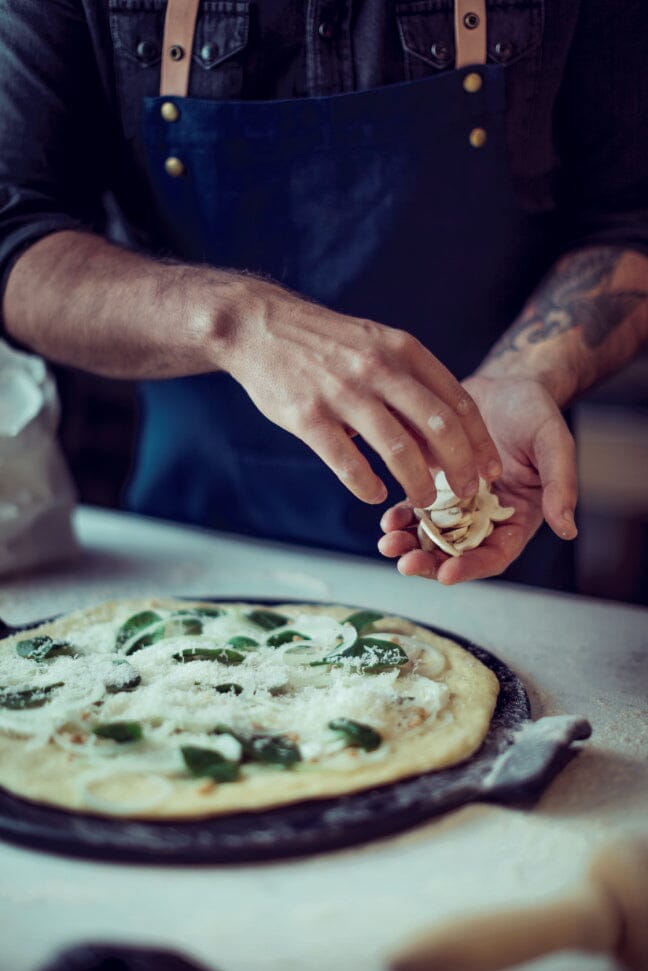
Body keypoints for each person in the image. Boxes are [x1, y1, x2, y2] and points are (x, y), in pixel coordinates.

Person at [0, 1, 646, 591]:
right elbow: (15, 236)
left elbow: (631, 217)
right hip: (197, 536)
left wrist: (526, 372)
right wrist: (234, 322)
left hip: (495, 511)